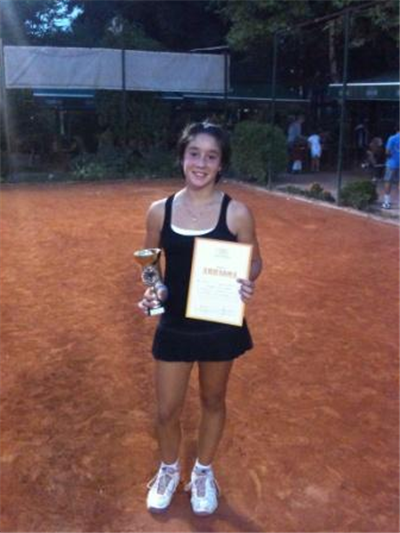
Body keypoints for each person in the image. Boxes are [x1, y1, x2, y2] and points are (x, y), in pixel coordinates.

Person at [138, 121, 263, 516]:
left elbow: (254, 260)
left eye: (211, 156)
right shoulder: (159, 211)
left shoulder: (237, 213)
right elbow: (149, 264)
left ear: (221, 164)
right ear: (182, 157)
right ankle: (168, 469)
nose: (201, 163)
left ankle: (203, 472)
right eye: (194, 153)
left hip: (218, 323)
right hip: (174, 324)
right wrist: (154, 289)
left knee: (213, 400)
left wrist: (247, 279)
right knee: (166, 410)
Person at [382, 123, 400, 209]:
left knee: (388, 181)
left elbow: (387, 151)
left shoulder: (392, 138)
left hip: (392, 163)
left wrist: (390, 157)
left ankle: (386, 202)